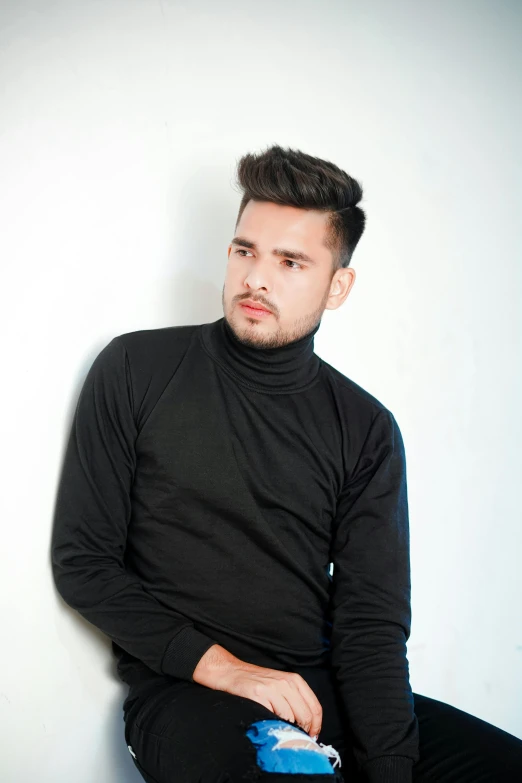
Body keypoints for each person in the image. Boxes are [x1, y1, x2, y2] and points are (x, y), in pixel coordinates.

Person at [51, 145, 522, 783]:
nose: (256, 279)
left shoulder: (366, 429)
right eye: (245, 251)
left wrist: (388, 764)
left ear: (338, 287)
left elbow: (371, 624)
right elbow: (84, 562)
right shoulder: (138, 370)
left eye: (290, 261)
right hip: (193, 697)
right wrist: (223, 667)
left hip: (327, 698)